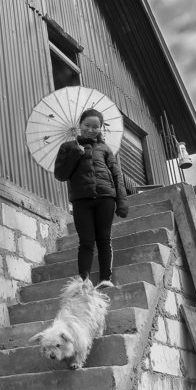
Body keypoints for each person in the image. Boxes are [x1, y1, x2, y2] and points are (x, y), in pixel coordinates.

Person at [54, 108, 128, 289]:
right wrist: (75, 153)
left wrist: (122, 201)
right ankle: (83, 281)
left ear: (100, 128)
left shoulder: (104, 149)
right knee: (86, 241)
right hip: (81, 200)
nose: (91, 129)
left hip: (105, 198)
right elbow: (61, 174)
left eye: (96, 126)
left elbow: (117, 175)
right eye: (87, 125)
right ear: (79, 125)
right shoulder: (68, 147)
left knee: (104, 238)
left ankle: (105, 278)